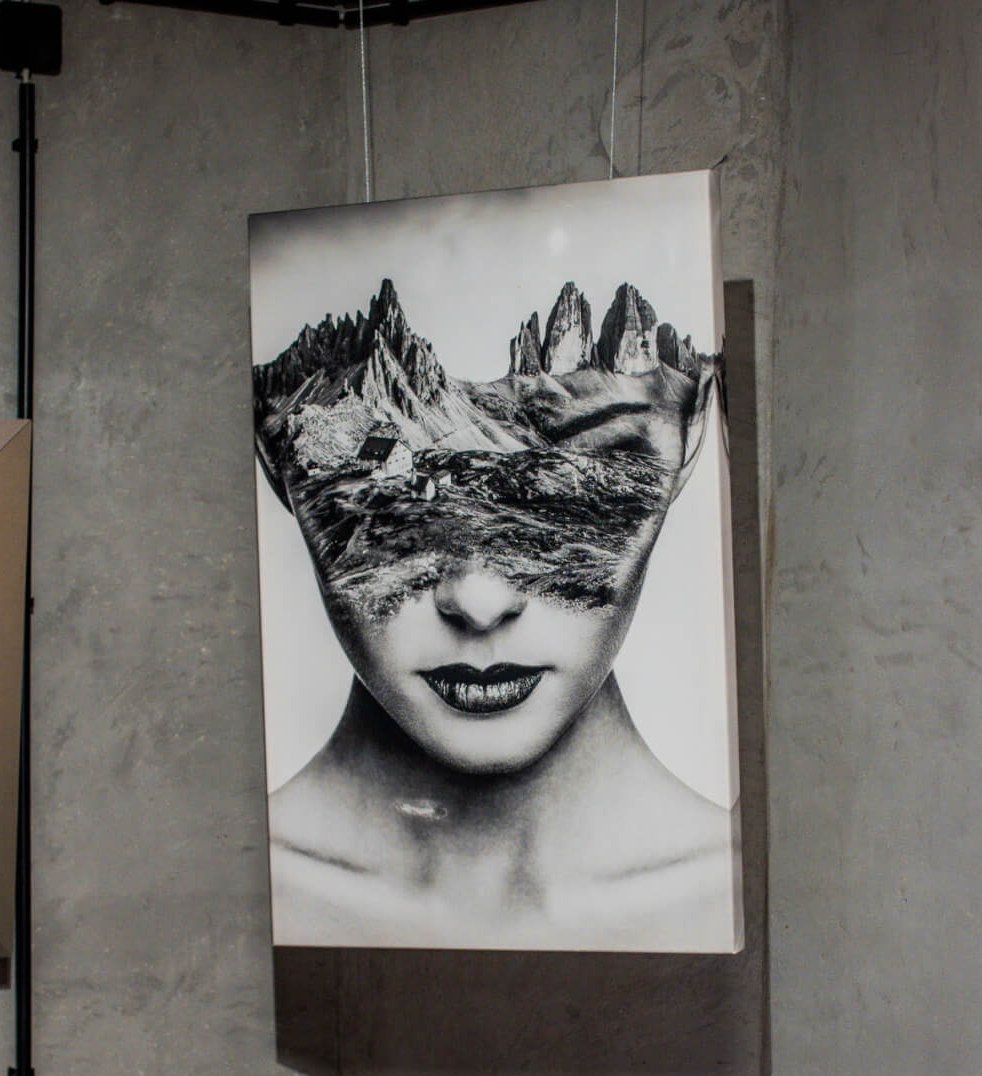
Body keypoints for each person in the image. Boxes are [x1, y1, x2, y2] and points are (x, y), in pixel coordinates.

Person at [254, 276, 740, 951]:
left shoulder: (771, 901)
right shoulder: (207, 896)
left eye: (578, 497)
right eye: (390, 512)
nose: (479, 602)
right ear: (276, 462)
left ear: (689, 439)